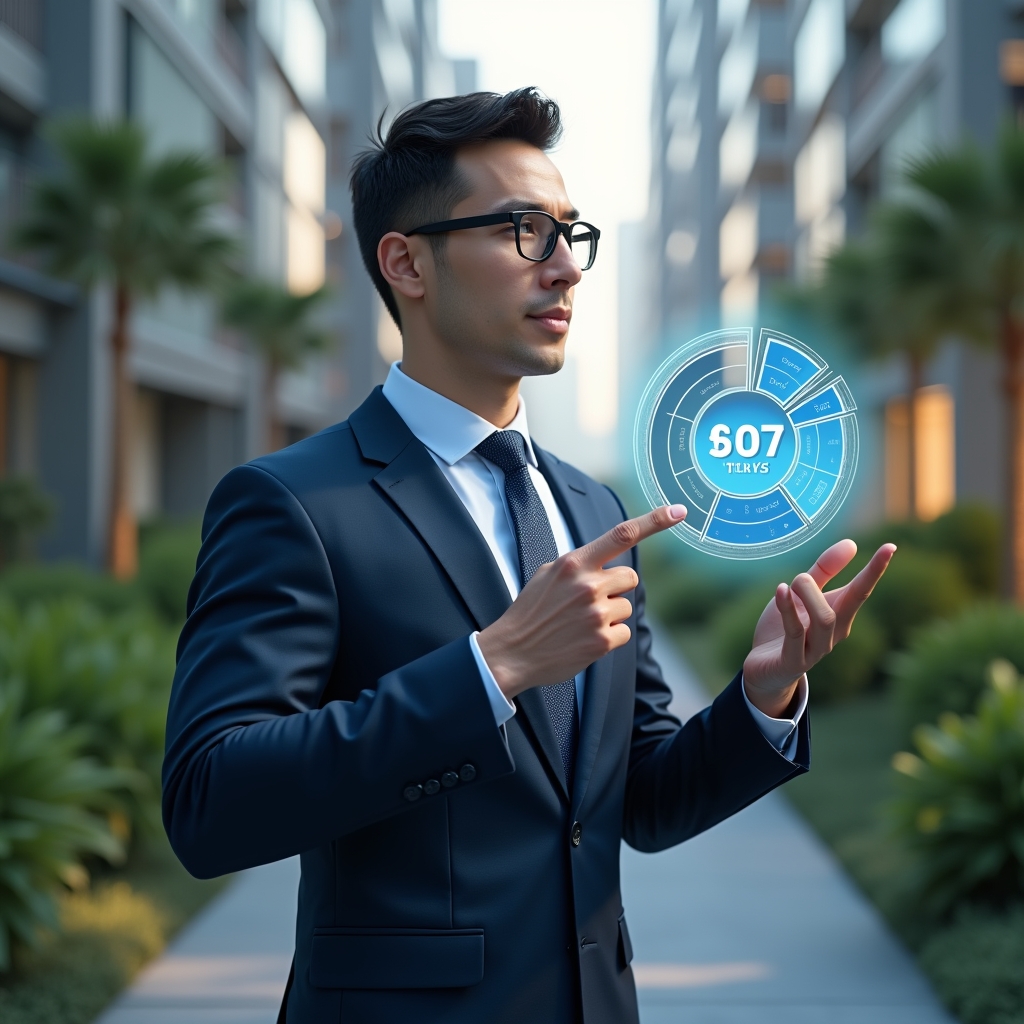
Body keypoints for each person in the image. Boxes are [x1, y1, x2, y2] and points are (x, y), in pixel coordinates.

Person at [162, 88, 895, 1024]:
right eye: (523, 231)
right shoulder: (295, 502)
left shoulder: (588, 505)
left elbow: (641, 802)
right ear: (406, 263)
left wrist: (762, 696)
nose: (565, 270)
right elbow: (210, 800)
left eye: (570, 234)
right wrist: (490, 668)